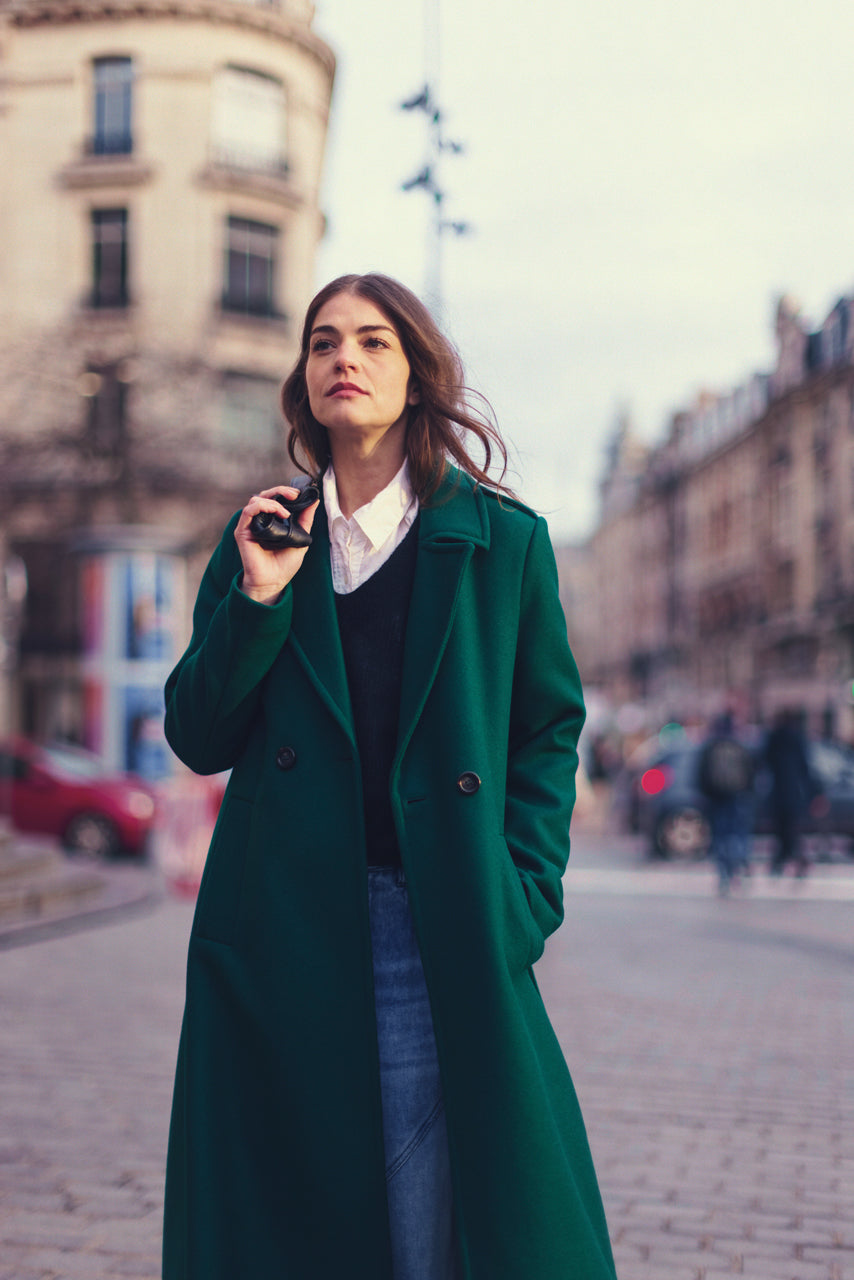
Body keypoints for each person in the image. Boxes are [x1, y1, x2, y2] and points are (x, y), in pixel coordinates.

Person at [161, 273, 617, 1280]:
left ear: (414, 376)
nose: (343, 359)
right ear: (304, 380)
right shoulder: (261, 540)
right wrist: (258, 599)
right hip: (283, 920)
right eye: (323, 342)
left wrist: (522, 891)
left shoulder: (502, 542)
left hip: (434, 910)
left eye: (372, 341)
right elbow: (198, 730)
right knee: (297, 1208)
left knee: (422, 1210)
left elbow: (545, 728)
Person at [697, 710, 756, 894]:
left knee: (720, 834)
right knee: (738, 832)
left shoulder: (710, 746)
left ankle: (723, 873)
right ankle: (740, 865)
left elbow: (701, 773)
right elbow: (751, 771)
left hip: (716, 797)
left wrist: (705, 793)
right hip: (737, 795)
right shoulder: (740, 745)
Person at [763, 708, 815, 877]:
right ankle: (793, 861)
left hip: (777, 791)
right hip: (793, 792)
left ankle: (781, 862)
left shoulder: (773, 738)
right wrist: (812, 792)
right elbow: (805, 768)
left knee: (781, 830)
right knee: (792, 830)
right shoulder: (797, 739)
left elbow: (765, 762)